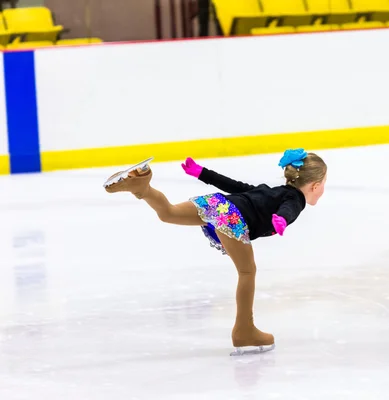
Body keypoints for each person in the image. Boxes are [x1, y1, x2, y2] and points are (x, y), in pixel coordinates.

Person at [103, 149, 328, 355]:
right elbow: (289, 209)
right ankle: (244, 330)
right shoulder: (296, 199)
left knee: (168, 213)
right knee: (247, 272)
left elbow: (235, 186)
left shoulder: (269, 191)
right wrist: (282, 220)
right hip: (232, 218)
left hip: (217, 205)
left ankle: (142, 187)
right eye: (324, 184)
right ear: (315, 185)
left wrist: (202, 172)